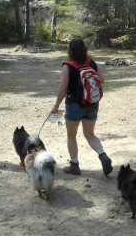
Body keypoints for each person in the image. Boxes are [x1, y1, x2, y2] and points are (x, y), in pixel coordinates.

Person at [51, 39, 113, 176]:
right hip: (92, 102)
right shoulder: (91, 62)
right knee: (90, 134)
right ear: (84, 49)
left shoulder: (67, 66)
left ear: (70, 50)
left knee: (71, 136)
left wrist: (56, 105)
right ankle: (103, 155)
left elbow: (63, 87)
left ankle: (74, 165)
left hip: (74, 105)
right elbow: (102, 80)